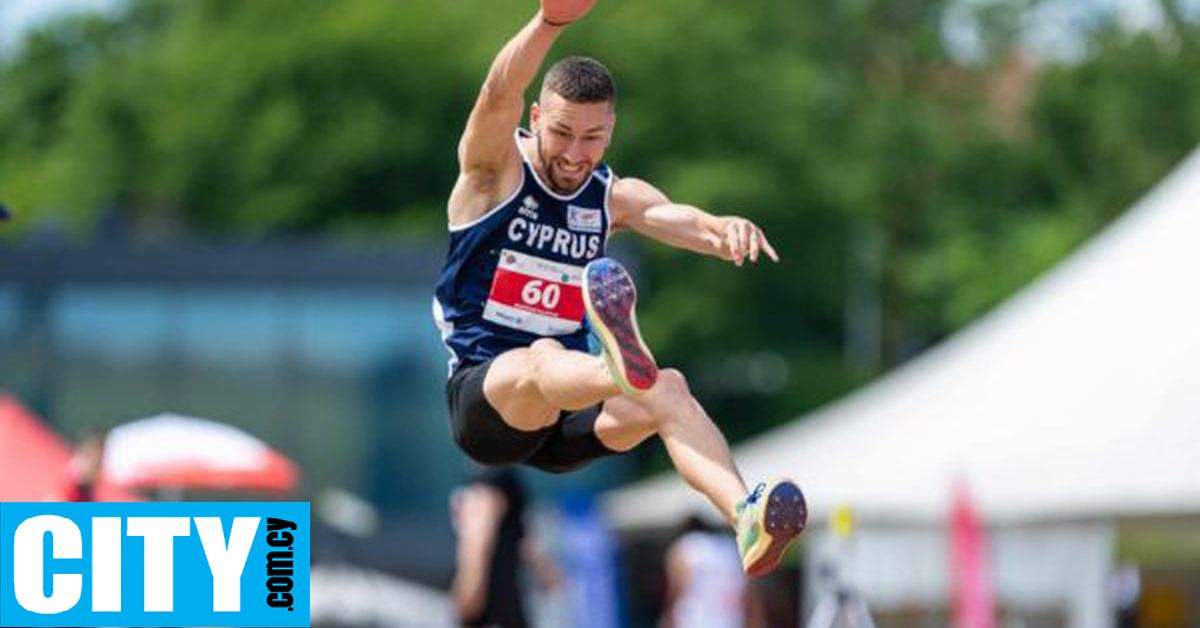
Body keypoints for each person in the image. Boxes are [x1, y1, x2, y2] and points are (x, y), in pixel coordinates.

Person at [432, 0, 807, 577]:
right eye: (561, 134)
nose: (576, 154)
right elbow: (496, 89)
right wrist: (548, 23)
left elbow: (675, 217)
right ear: (535, 118)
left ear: (610, 132)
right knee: (544, 357)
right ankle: (620, 369)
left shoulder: (609, 196)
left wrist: (722, 229)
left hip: (566, 421)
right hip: (489, 406)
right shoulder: (493, 172)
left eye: (593, 138)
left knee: (670, 391)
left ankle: (744, 517)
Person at [450, 468, 560, 628]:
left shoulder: (490, 480)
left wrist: (471, 586)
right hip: (508, 601)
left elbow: (481, 536)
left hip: (494, 602)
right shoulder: (501, 478)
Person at [658, 514, 765, 628]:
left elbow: (676, 589)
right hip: (730, 621)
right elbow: (749, 593)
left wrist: (666, 617)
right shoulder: (731, 548)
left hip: (694, 620)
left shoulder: (685, 547)